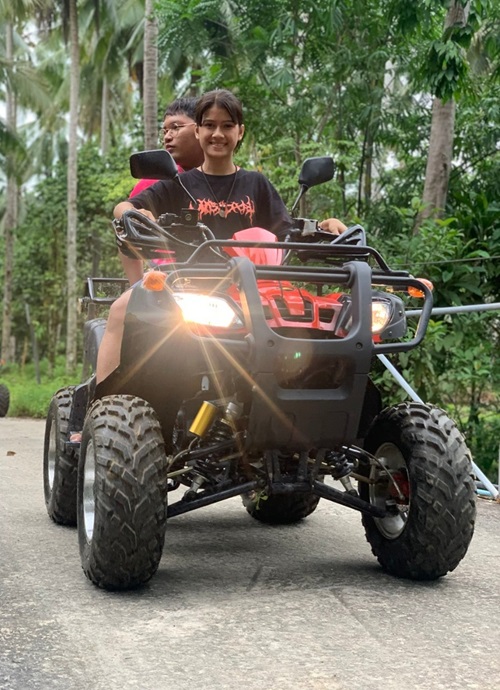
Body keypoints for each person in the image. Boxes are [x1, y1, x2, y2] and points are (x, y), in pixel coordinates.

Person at [122, 97, 204, 284]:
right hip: (172, 282)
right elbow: (125, 229)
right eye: (165, 131)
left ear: (200, 129)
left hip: (229, 278)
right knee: (120, 311)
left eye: (176, 127)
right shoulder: (155, 183)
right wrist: (137, 287)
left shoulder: (233, 180)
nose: (168, 136)